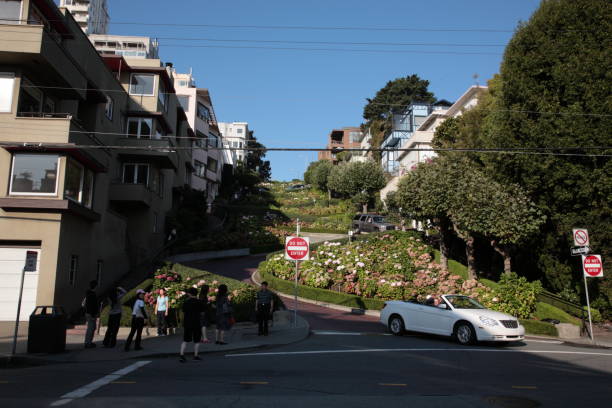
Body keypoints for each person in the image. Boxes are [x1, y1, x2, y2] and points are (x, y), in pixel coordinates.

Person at [180, 287, 204, 362]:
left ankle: (182, 355)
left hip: (188, 322)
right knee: (197, 340)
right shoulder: (199, 301)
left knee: (185, 340)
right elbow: (202, 311)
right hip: (196, 322)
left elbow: (183, 311)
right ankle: (196, 355)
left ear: (189, 294)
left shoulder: (186, 302)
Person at [84, 280, 99, 349]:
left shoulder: (89, 294)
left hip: (89, 313)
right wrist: (93, 314)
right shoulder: (92, 295)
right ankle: (88, 343)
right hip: (91, 314)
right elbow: (92, 305)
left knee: (92, 328)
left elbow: (85, 304)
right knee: (91, 328)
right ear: (95, 286)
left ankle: (88, 342)